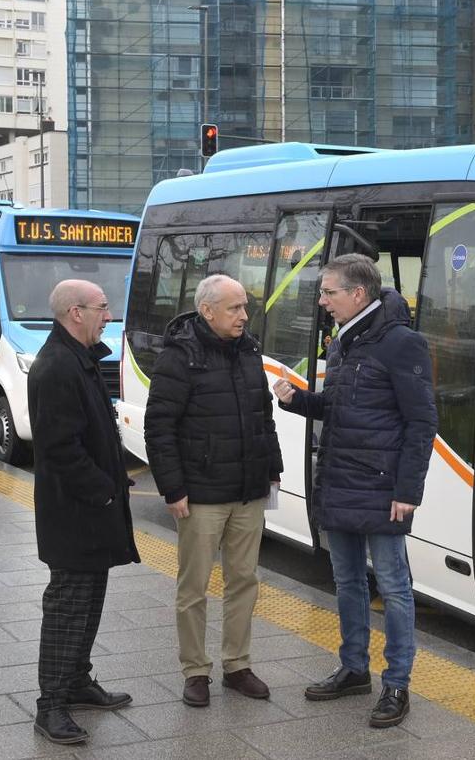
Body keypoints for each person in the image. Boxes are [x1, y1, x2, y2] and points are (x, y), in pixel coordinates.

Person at [273, 254, 437, 728]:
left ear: (358, 294)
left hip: (383, 488)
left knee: (394, 587)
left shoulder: (402, 344)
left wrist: (409, 489)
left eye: (329, 293)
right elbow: (342, 408)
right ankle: (354, 668)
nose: (322, 302)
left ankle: (397, 684)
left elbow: (422, 421)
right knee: (347, 582)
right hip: (340, 480)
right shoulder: (344, 343)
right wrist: (299, 401)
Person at [145, 274, 283, 708]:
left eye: (244, 307)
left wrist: (272, 469)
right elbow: (159, 426)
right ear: (207, 311)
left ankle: (237, 664)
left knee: (245, 580)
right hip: (201, 494)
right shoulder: (181, 356)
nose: (244, 315)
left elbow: (264, 416)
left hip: (248, 490)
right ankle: (195, 671)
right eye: (234, 308)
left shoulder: (248, 351)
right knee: (194, 587)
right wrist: (173, 489)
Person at [28, 279, 139, 745]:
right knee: (67, 608)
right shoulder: (56, 367)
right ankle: (50, 705)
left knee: (89, 601)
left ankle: (77, 680)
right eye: (102, 307)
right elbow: (60, 449)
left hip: (92, 512)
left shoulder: (80, 360)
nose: (108, 315)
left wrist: (114, 482)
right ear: (76, 313)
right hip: (75, 515)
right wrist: (104, 491)